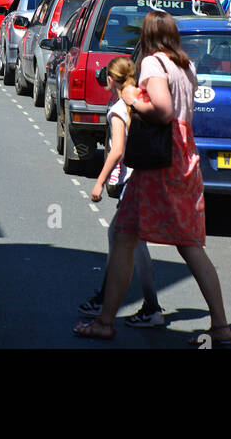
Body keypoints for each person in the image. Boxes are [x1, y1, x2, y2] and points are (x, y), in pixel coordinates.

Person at [74, 11, 231, 345]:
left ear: (148, 36)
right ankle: (220, 326)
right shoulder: (186, 66)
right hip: (184, 155)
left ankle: (105, 322)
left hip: (160, 159)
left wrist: (133, 99)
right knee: (189, 243)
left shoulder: (153, 64)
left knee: (124, 235)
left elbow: (162, 110)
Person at [80, 57, 164, 327]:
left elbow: (116, 151)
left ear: (111, 80)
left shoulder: (119, 108)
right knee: (122, 238)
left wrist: (98, 182)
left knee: (130, 243)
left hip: (133, 181)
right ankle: (110, 299)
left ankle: (149, 306)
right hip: (149, 176)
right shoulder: (141, 98)